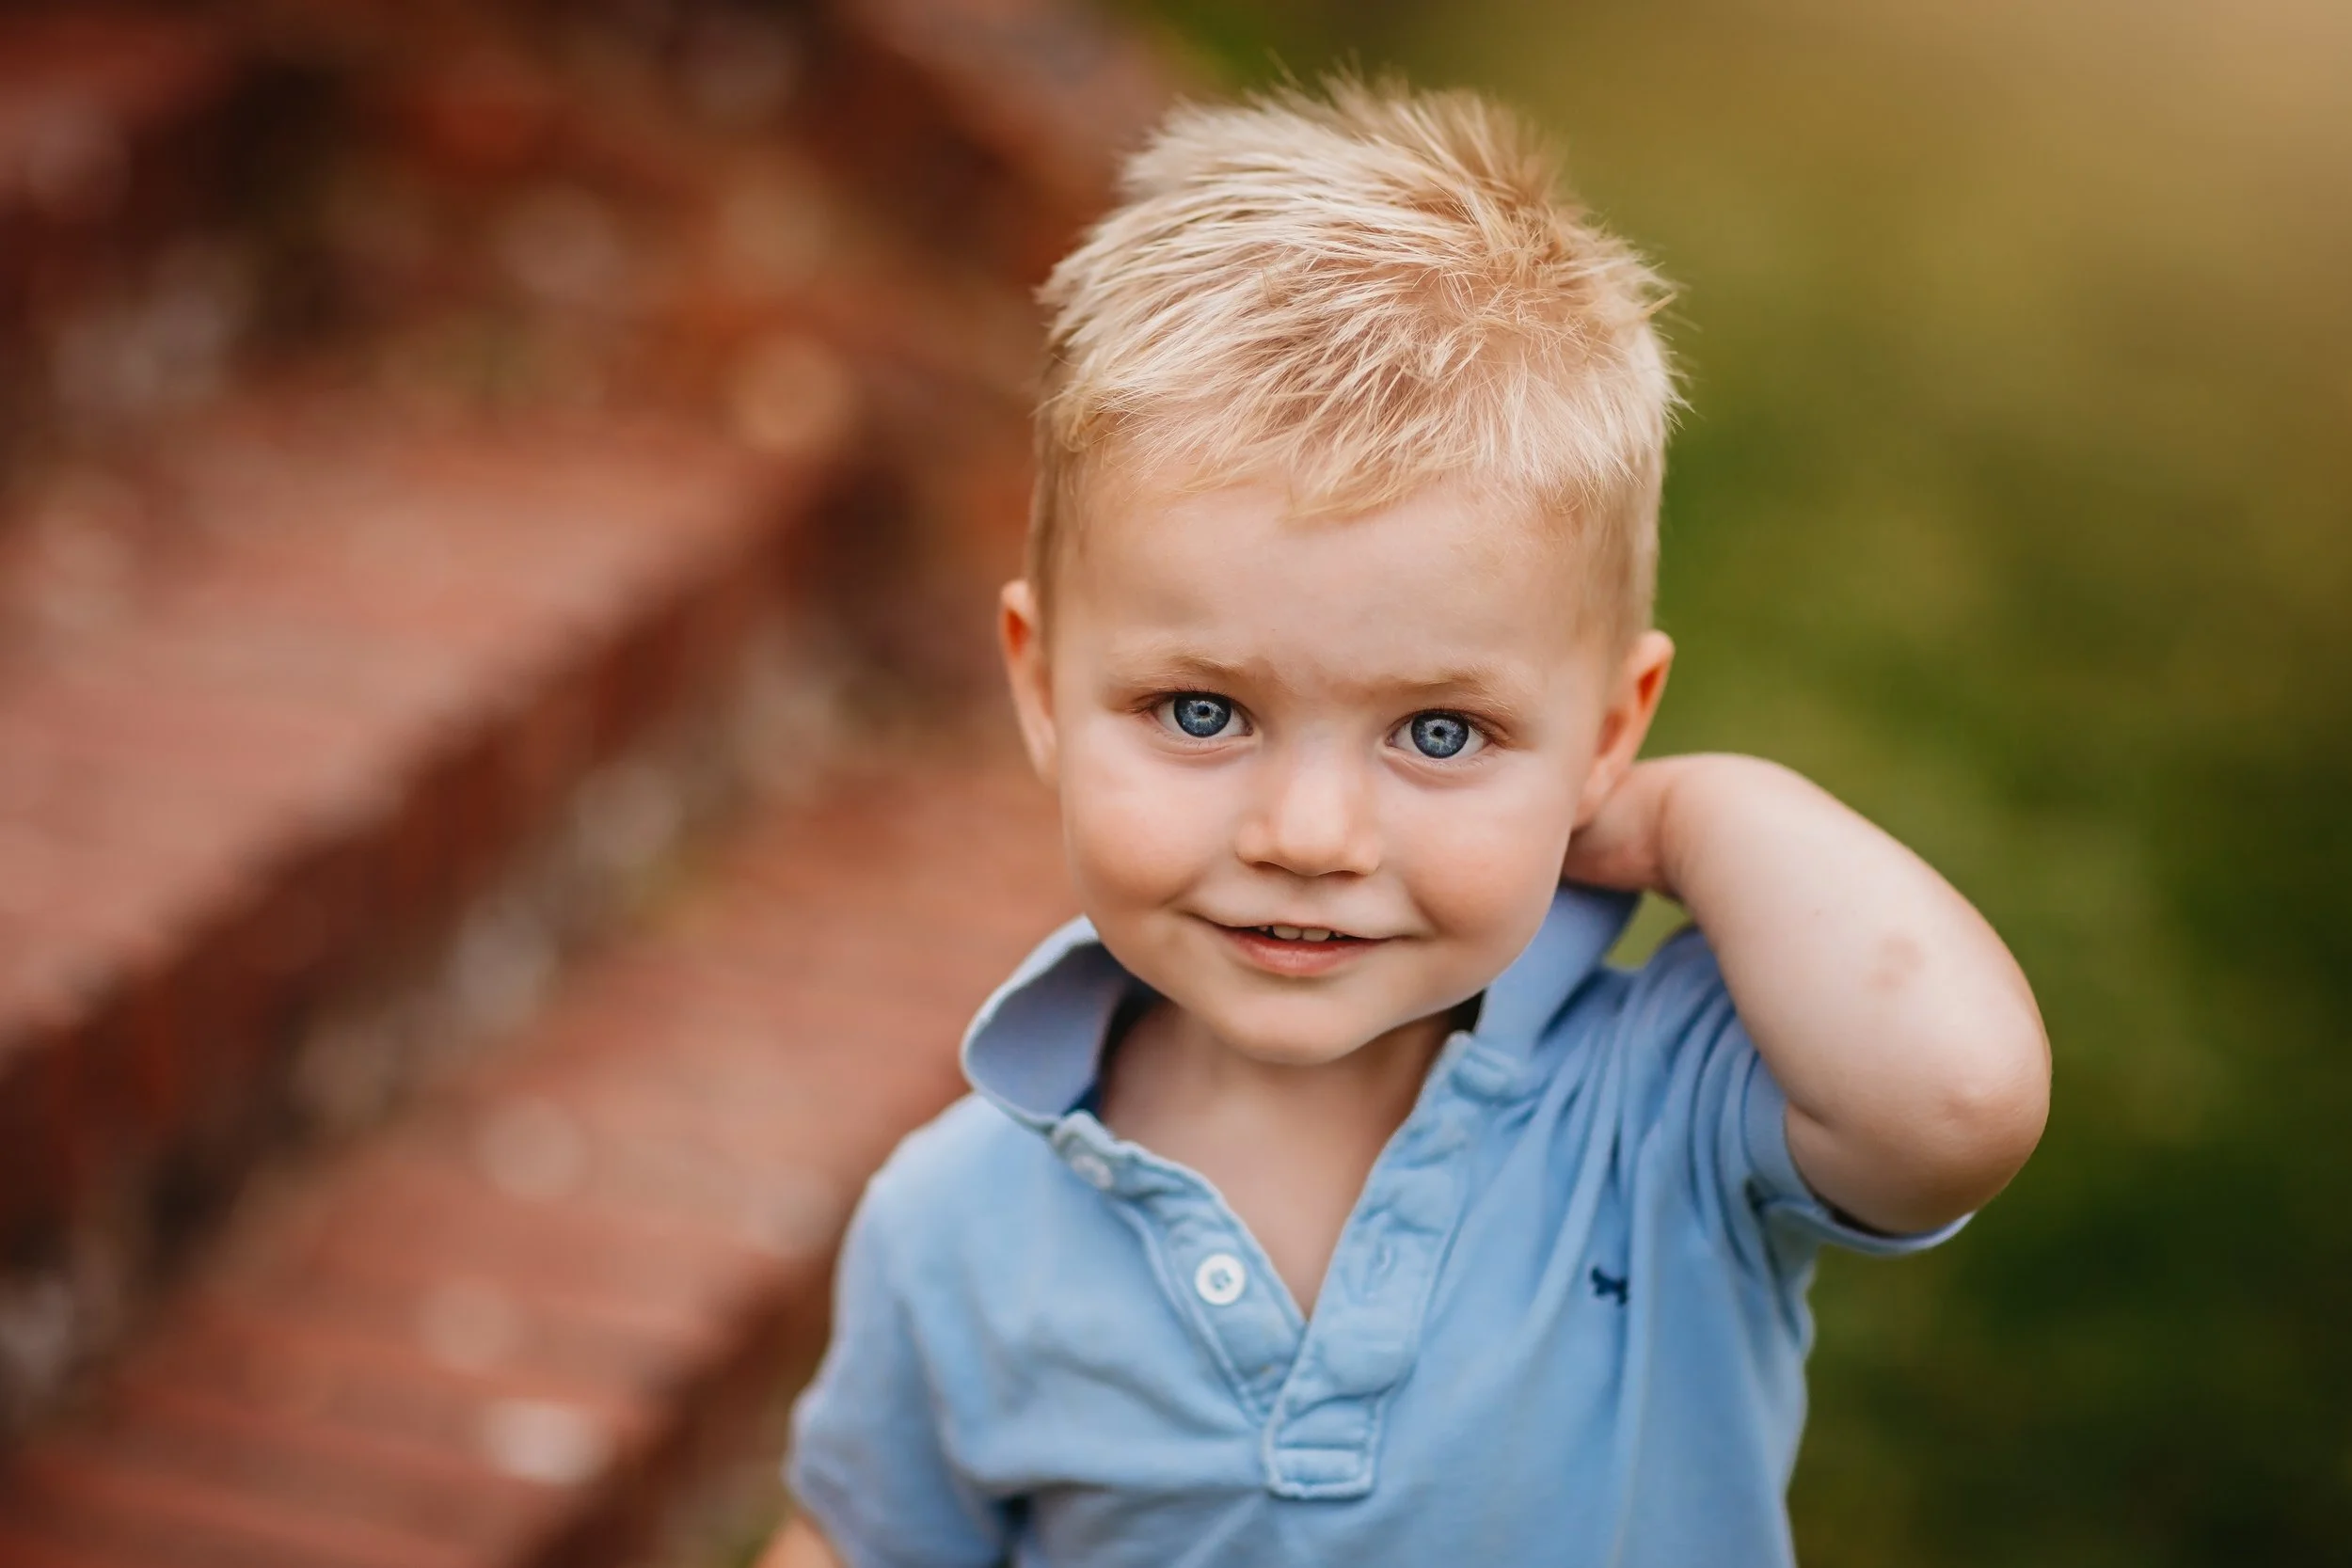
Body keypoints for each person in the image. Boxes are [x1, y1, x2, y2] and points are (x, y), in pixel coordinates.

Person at [759, 76, 2048, 1568]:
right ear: (1044, 685)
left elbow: (1957, 1100)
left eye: (1441, 732)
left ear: (1607, 733)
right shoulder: (958, 1224)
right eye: (1200, 711)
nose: (1309, 832)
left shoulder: (1659, 1107)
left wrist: (1698, 813)